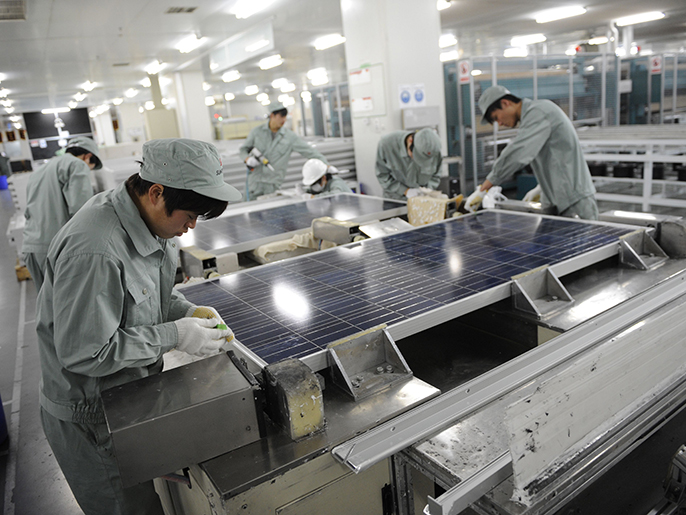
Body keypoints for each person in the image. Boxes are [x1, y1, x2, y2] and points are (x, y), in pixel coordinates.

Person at [36, 138, 241, 515]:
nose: (191, 227)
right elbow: (86, 352)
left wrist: (188, 311)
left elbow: (150, 299)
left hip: (126, 393)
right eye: (189, 215)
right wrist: (176, 335)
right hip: (91, 414)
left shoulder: (155, 225)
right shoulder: (95, 251)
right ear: (156, 192)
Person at [468, 85, 598, 220]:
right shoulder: (532, 117)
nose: (499, 123)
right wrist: (542, 187)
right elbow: (554, 157)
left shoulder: (539, 112)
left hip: (574, 200)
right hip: (555, 200)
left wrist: (485, 188)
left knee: (587, 239)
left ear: (505, 103)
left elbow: (517, 153)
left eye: (496, 117)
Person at [22, 137, 102, 290]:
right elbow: (82, 210)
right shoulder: (77, 165)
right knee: (68, 306)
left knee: (47, 305)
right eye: (91, 167)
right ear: (88, 157)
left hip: (31, 246)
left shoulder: (41, 170)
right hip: (55, 249)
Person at [239, 101, 328, 199]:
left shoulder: (290, 137)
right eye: (281, 116)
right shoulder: (256, 132)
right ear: (272, 115)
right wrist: (248, 159)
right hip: (254, 183)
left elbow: (310, 152)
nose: (284, 120)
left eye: (285, 117)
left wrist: (326, 166)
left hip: (273, 185)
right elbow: (243, 150)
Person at [375, 127, 443, 200]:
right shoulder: (386, 144)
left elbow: (436, 175)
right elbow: (382, 175)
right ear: (410, 141)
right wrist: (405, 191)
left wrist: (426, 191)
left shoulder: (434, 150)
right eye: (416, 156)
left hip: (422, 200)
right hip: (395, 200)